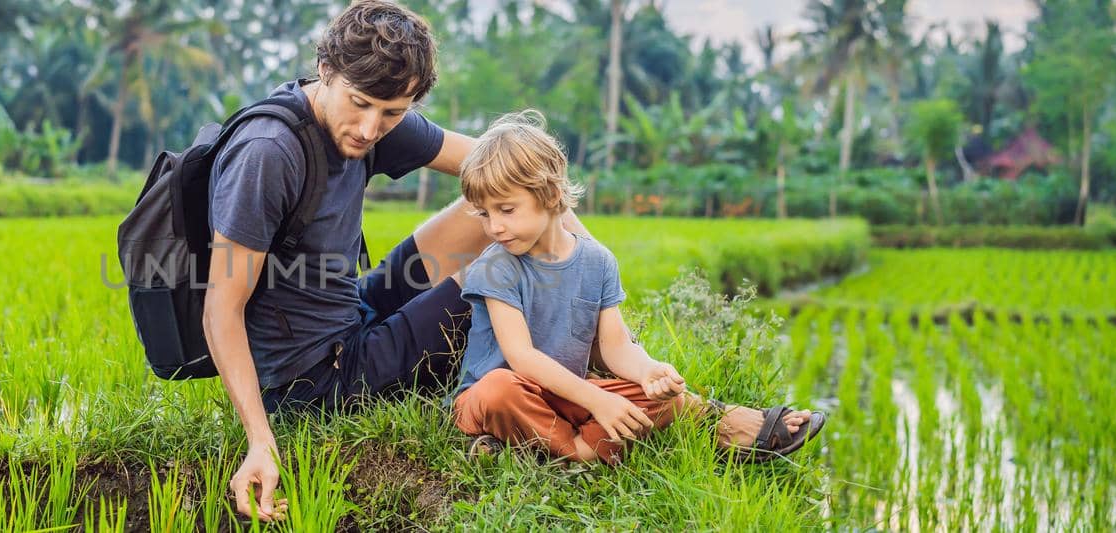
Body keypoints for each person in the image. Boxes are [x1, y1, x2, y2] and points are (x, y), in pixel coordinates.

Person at [204, 1, 816, 522]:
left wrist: (586, 266)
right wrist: (261, 439)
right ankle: (701, 418)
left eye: (391, 114)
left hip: (348, 304)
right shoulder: (269, 154)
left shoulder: (378, 116)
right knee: (496, 275)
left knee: (497, 205)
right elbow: (221, 311)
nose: (369, 130)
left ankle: (617, 344)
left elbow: (512, 165)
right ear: (324, 70)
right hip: (315, 374)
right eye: (359, 104)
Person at [449, 110, 827, 465]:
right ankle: (579, 453)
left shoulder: (598, 261)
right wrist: (597, 399)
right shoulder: (497, 266)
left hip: (564, 395)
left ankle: (547, 445)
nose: (494, 226)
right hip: (502, 397)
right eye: (486, 213)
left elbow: (615, 346)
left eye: (506, 210)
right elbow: (522, 358)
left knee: (666, 399)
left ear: (549, 195)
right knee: (497, 388)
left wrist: (648, 371)